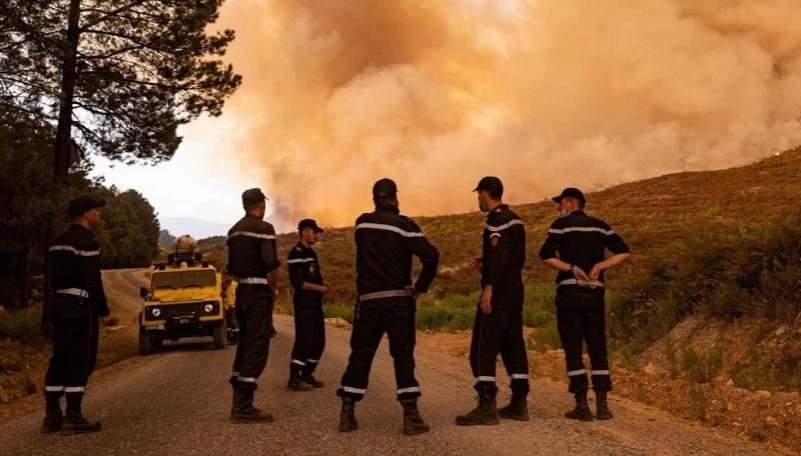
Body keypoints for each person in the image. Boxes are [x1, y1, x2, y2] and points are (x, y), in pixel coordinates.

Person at [336, 178, 440, 436]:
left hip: (369, 302)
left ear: (374, 200)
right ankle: (411, 416)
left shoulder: (362, 223)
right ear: (395, 198)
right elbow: (431, 255)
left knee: (360, 355)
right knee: (403, 356)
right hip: (398, 301)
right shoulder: (405, 226)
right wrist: (420, 286)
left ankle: (347, 414)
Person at [538, 187, 630, 421]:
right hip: (595, 293)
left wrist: (570, 268)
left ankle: (581, 405)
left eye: (561, 204)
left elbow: (546, 255)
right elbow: (623, 251)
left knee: (573, 348)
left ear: (571, 203)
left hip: (570, 291)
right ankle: (602, 405)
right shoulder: (600, 225)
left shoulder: (561, 225)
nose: (559, 208)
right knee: (597, 346)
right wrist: (601, 266)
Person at [455, 176, 530, 426]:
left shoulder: (495, 220)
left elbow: (498, 255)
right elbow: (511, 255)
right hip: (514, 289)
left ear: (485, 193)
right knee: (513, 345)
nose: (478, 199)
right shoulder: (515, 220)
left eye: (479, 194)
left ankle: (487, 405)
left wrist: (488, 287)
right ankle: (520, 403)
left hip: (499, 292)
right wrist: (488, 260)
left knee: (482, 346)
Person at [41, 195, 114, 434]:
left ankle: (52, 416)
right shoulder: (86, 242)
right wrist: (102, 311)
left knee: (60, 357)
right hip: (81, 307)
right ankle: (73, 416)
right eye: (96, 210)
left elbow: (51, 279)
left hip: (59, 304)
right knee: (81, 359)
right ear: (86, 214)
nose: (99, 214)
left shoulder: (57, 242)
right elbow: (93, 281)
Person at [226, 188, 280, 423]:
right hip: (258, 293)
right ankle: (244, 408)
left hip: (241, 293)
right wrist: (272, 292)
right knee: (257, 346)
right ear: (261, 205)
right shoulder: (264, 229)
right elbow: (271, 265)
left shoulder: (233, 232)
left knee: (244, 345)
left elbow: (232, 269)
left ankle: (237, 400)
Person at [286, 218, 330, 391]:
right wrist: (319, 288)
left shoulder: (311, 253)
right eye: (314, 232)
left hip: (315, 303)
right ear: (304, 232)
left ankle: (307, 373)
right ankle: (294, 377)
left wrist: (323, 284)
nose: (317, 235)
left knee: (319, 340)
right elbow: (298, 283)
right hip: (304, 303)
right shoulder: (295, 253)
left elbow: (314, 276)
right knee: (304, 339)